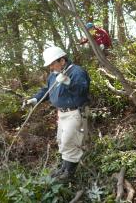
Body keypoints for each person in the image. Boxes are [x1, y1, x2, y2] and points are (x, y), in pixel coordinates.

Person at [23, 46, 90, 181]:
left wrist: (68, 82)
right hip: (62, 114)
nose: (51, 68)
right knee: (61, 141)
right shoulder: (54, 75)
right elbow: (47, 90)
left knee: (68, 142)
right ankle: (64, 168)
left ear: (62, 61)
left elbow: (82, 91)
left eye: (52, 64)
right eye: (50, 65)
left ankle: (69, 174)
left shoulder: (77, 72)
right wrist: (34, 99)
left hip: (75, 112)